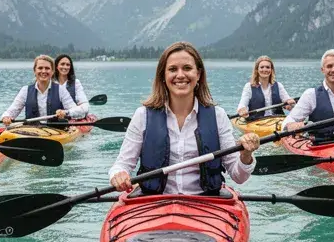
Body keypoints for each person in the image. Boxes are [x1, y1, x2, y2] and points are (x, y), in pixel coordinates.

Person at [109, 41, 261, 195]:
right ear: (163, 75)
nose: (180, 75)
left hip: (206, 203)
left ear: (198, 74)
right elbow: (121, 165)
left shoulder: (218, 116)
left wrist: (246, 154)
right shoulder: (142, 116)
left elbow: (239, 176)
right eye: (173, 69)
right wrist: (118, 175)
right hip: (154, 203)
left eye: (187, 68)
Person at [281, 49, 334, 140]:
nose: (333, 70)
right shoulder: (310, 95)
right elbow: (288, 121)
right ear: (322, 70)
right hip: (320, 144)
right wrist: (291, 124)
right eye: (329, 66)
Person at [0, 55, 86, 126]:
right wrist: (6, 117)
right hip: (32, 131)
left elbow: (79, 112)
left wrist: (66, 112)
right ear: (35, 70)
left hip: (56, 132)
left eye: (47, 68)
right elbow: (11, 111)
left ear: (52, 72)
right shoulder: (25, 90)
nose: (43, 71)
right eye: (40, 68)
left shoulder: (61, 90)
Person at [53, 54, 90, 118]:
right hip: (53, 120)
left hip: (71, 119)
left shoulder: (76, 83)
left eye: (68, 65)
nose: (65, 67)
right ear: (56, 66)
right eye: (62, 64)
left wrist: (67, 112)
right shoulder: (50, 83)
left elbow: (85, 107)